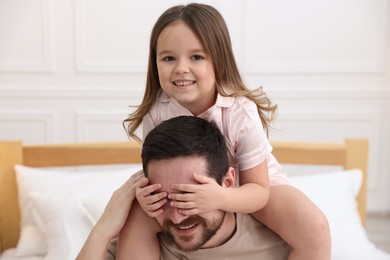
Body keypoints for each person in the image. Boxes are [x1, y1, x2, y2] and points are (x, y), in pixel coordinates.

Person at [121, 3, 330, 259]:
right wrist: (147, 196)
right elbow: (156, 170)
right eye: (168, 58)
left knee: (314, 227)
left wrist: (220, 197)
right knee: (133, 218)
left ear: (218, 60)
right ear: (155, 63)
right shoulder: (158, 111)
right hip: (187, 186)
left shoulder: (240, 112)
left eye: (196, 57)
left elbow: (259, 190)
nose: (181, 68)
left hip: (252, 184)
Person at [77, 116, 291, 260]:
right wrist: (103, 229)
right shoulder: (139, 238)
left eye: (188, 197)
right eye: (164, 198)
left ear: (227, 183)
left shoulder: (279, 241)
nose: (178, 218)